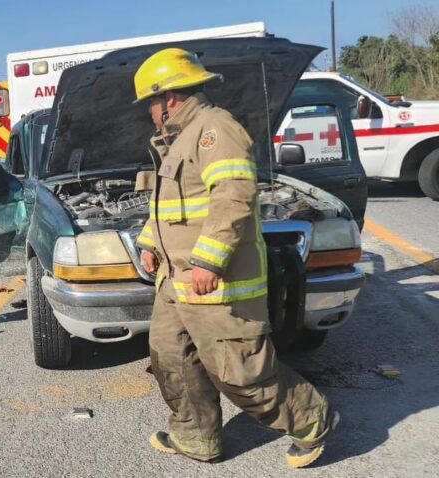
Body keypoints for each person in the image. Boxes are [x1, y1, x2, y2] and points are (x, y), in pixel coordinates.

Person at [133, 48, 337, 468]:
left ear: (169, 98)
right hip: (175, 281)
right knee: (171, 357)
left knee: (239, 372)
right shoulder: (177, 141)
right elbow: (172, 206)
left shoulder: (214, 130)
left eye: (150, 103)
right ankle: (196, 436)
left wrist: (209, 262)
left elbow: (233, 197)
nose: (150, 113)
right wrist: (149, 241)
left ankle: (313, 420)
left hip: (215, 282)